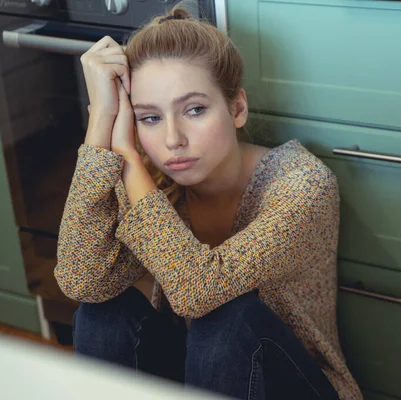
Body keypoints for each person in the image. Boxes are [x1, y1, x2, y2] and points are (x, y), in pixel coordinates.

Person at [54, 4, 362, 400]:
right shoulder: (152, 177)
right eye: (149, 118)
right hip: (198, 376)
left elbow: (197, 293)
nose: (172, 140)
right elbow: (83, 280)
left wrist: (128, 156)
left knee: (227, 319)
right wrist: (101, 123)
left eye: (194, 110)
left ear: (237, 108)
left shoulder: (302, 184)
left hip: (293, 387)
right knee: (101, 314)